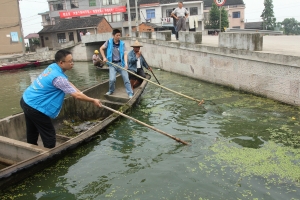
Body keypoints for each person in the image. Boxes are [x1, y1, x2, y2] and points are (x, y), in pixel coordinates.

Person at [20, 50, 102, 148]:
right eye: (70, 61)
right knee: (49, 134)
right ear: (61, 63)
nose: (72, 63)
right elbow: (77, 96)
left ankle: (31, 148)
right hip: (35, 107)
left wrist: (79, 91)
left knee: (32, 129)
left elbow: (68, 84)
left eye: (72, 60)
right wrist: (93, 100)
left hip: (26, 100)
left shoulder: (52, 67)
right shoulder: (58, 78)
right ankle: (49, 154)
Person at [100, 29, 133, 98]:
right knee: (112, 79)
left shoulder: (122, 43)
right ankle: (111, 90)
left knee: (126, 79)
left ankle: (130, 93)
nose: (118, 37)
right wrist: (104, 57)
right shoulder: (108, 42)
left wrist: (126, 64)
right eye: (117, 35)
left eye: (119, 35)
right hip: (112, 64)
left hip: (121, 63)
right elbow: (101, 48)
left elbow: (125, 54)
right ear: (113, 35)